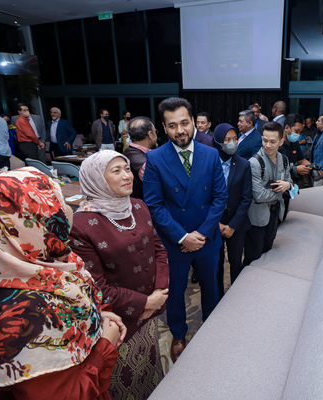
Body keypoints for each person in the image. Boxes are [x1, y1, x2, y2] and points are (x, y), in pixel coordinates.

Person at [0, 168, 125, 399]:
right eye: (56, 203)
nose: (65, 210)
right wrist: (105, 344)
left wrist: (95, 318)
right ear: (32, 222)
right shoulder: (24, 313)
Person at [69, 151, 169, 399]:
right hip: (118, 324)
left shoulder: (138, 205)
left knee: (151, 370)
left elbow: (159, 249)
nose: (127, 176)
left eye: (127, 168)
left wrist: (159, 293)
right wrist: (144, 303)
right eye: (116, 171)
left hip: (149, 313)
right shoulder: (82, 225)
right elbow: (96, 286)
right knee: (125, 383)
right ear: (96, 179)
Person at [143, 97, 227, 363]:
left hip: (207, 240)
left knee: (211, 288)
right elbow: (154, 206)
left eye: (184, 123)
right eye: (172, 125)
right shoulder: (155, 158)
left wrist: (200, 234)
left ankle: (212, 330)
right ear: (164, 128)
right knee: (176, 292)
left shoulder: (211, 154)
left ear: (193, 122)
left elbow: (219, 199)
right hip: (175, 242)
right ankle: (178, 334)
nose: (180, 130)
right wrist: (183, 236)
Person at [243, 122, 292, 267]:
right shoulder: (255, 163)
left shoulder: (284, 160)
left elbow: (293, 187)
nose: (268, 145)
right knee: (254, 255)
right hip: (257, 216)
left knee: (268, 249)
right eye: (264, 140)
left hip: (276, 213)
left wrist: (288, 185)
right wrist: (283, 193)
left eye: (272, 141)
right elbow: (259, 195)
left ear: (281, 142)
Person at [211, 123, 252, 298]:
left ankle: (235, 298)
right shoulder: (209, 163)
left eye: (235, 139)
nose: (232, 143)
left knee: (236, 263)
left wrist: (233, 225)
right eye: (227, 139)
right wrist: (217, 224)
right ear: (219, 142)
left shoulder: (243, 164)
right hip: (214, 225)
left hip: (237, 224)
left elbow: (246, 198)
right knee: (216, 264)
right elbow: (204, 198)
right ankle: (218, 297)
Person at [123, 116, 158, 200]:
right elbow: (159, 186)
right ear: (150, 135)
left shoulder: (129, 151)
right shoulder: (143, 163)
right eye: (155, 132)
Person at [280, 113, 313, 192]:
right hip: (280, 184)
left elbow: (300, 159)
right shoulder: (277, 144)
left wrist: (309, 165)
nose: (298, 135)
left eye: (300, 132)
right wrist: (295, 169)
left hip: (292, 183)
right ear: (287, 127)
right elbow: (274, 168)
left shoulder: (295, 143)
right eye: (296, 131)